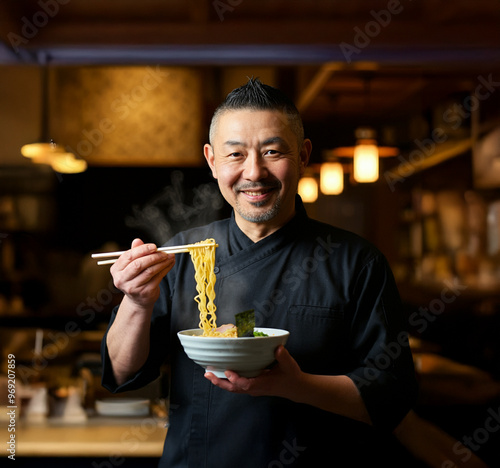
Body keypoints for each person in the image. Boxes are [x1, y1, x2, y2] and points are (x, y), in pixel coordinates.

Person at [101, 78, 421, 467]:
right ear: (211, 160)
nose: (254, 172)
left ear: (303, 155)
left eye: (272, 151)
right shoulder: (182, 255)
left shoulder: (357, 262)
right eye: (235, 155)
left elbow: (391, 400)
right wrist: (136, 302)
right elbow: (120, 373)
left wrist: (298, 386)